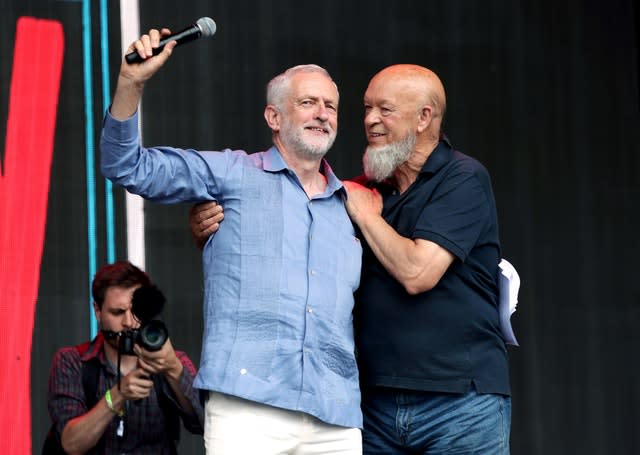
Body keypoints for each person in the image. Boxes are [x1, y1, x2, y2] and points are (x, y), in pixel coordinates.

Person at [191, 63, 511, 454]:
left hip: (458, 403)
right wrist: (215, 225)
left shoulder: (461, 177)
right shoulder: (358, 190)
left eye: (385, 110)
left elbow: (417, 272)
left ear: (424, 117)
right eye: (365, 109)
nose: (371, 121)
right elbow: (286, 247)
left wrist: (365, 215)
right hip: (374, 405)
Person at [100, 28, 363, 454]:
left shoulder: (353, 206)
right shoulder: (232, 174)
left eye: (330, 105)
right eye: (308, 102)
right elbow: (127, 166)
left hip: (334, 412)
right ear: (274, 118)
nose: (322, 113)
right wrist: (132, 83)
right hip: (247, 405)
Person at [46, 261, 203, 454]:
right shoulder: (72, 362)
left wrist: (173, 368)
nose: (129, 322)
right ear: (97, 310)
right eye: (118, 312)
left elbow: (205, 424)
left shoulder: (173, 359)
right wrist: (116, 396)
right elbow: (71, 444)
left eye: (136, 311)